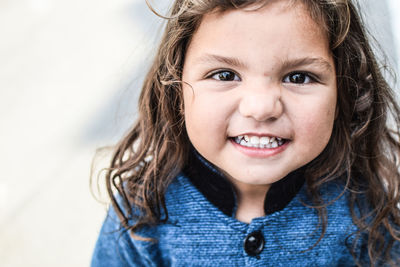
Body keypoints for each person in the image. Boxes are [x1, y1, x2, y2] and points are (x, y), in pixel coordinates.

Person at [91, 0, 400, 265]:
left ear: (343, 92)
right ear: (176, 90)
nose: (262, 107)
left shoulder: (361, 209)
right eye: (225, 75)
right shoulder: (143, 214)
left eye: (299, 77)